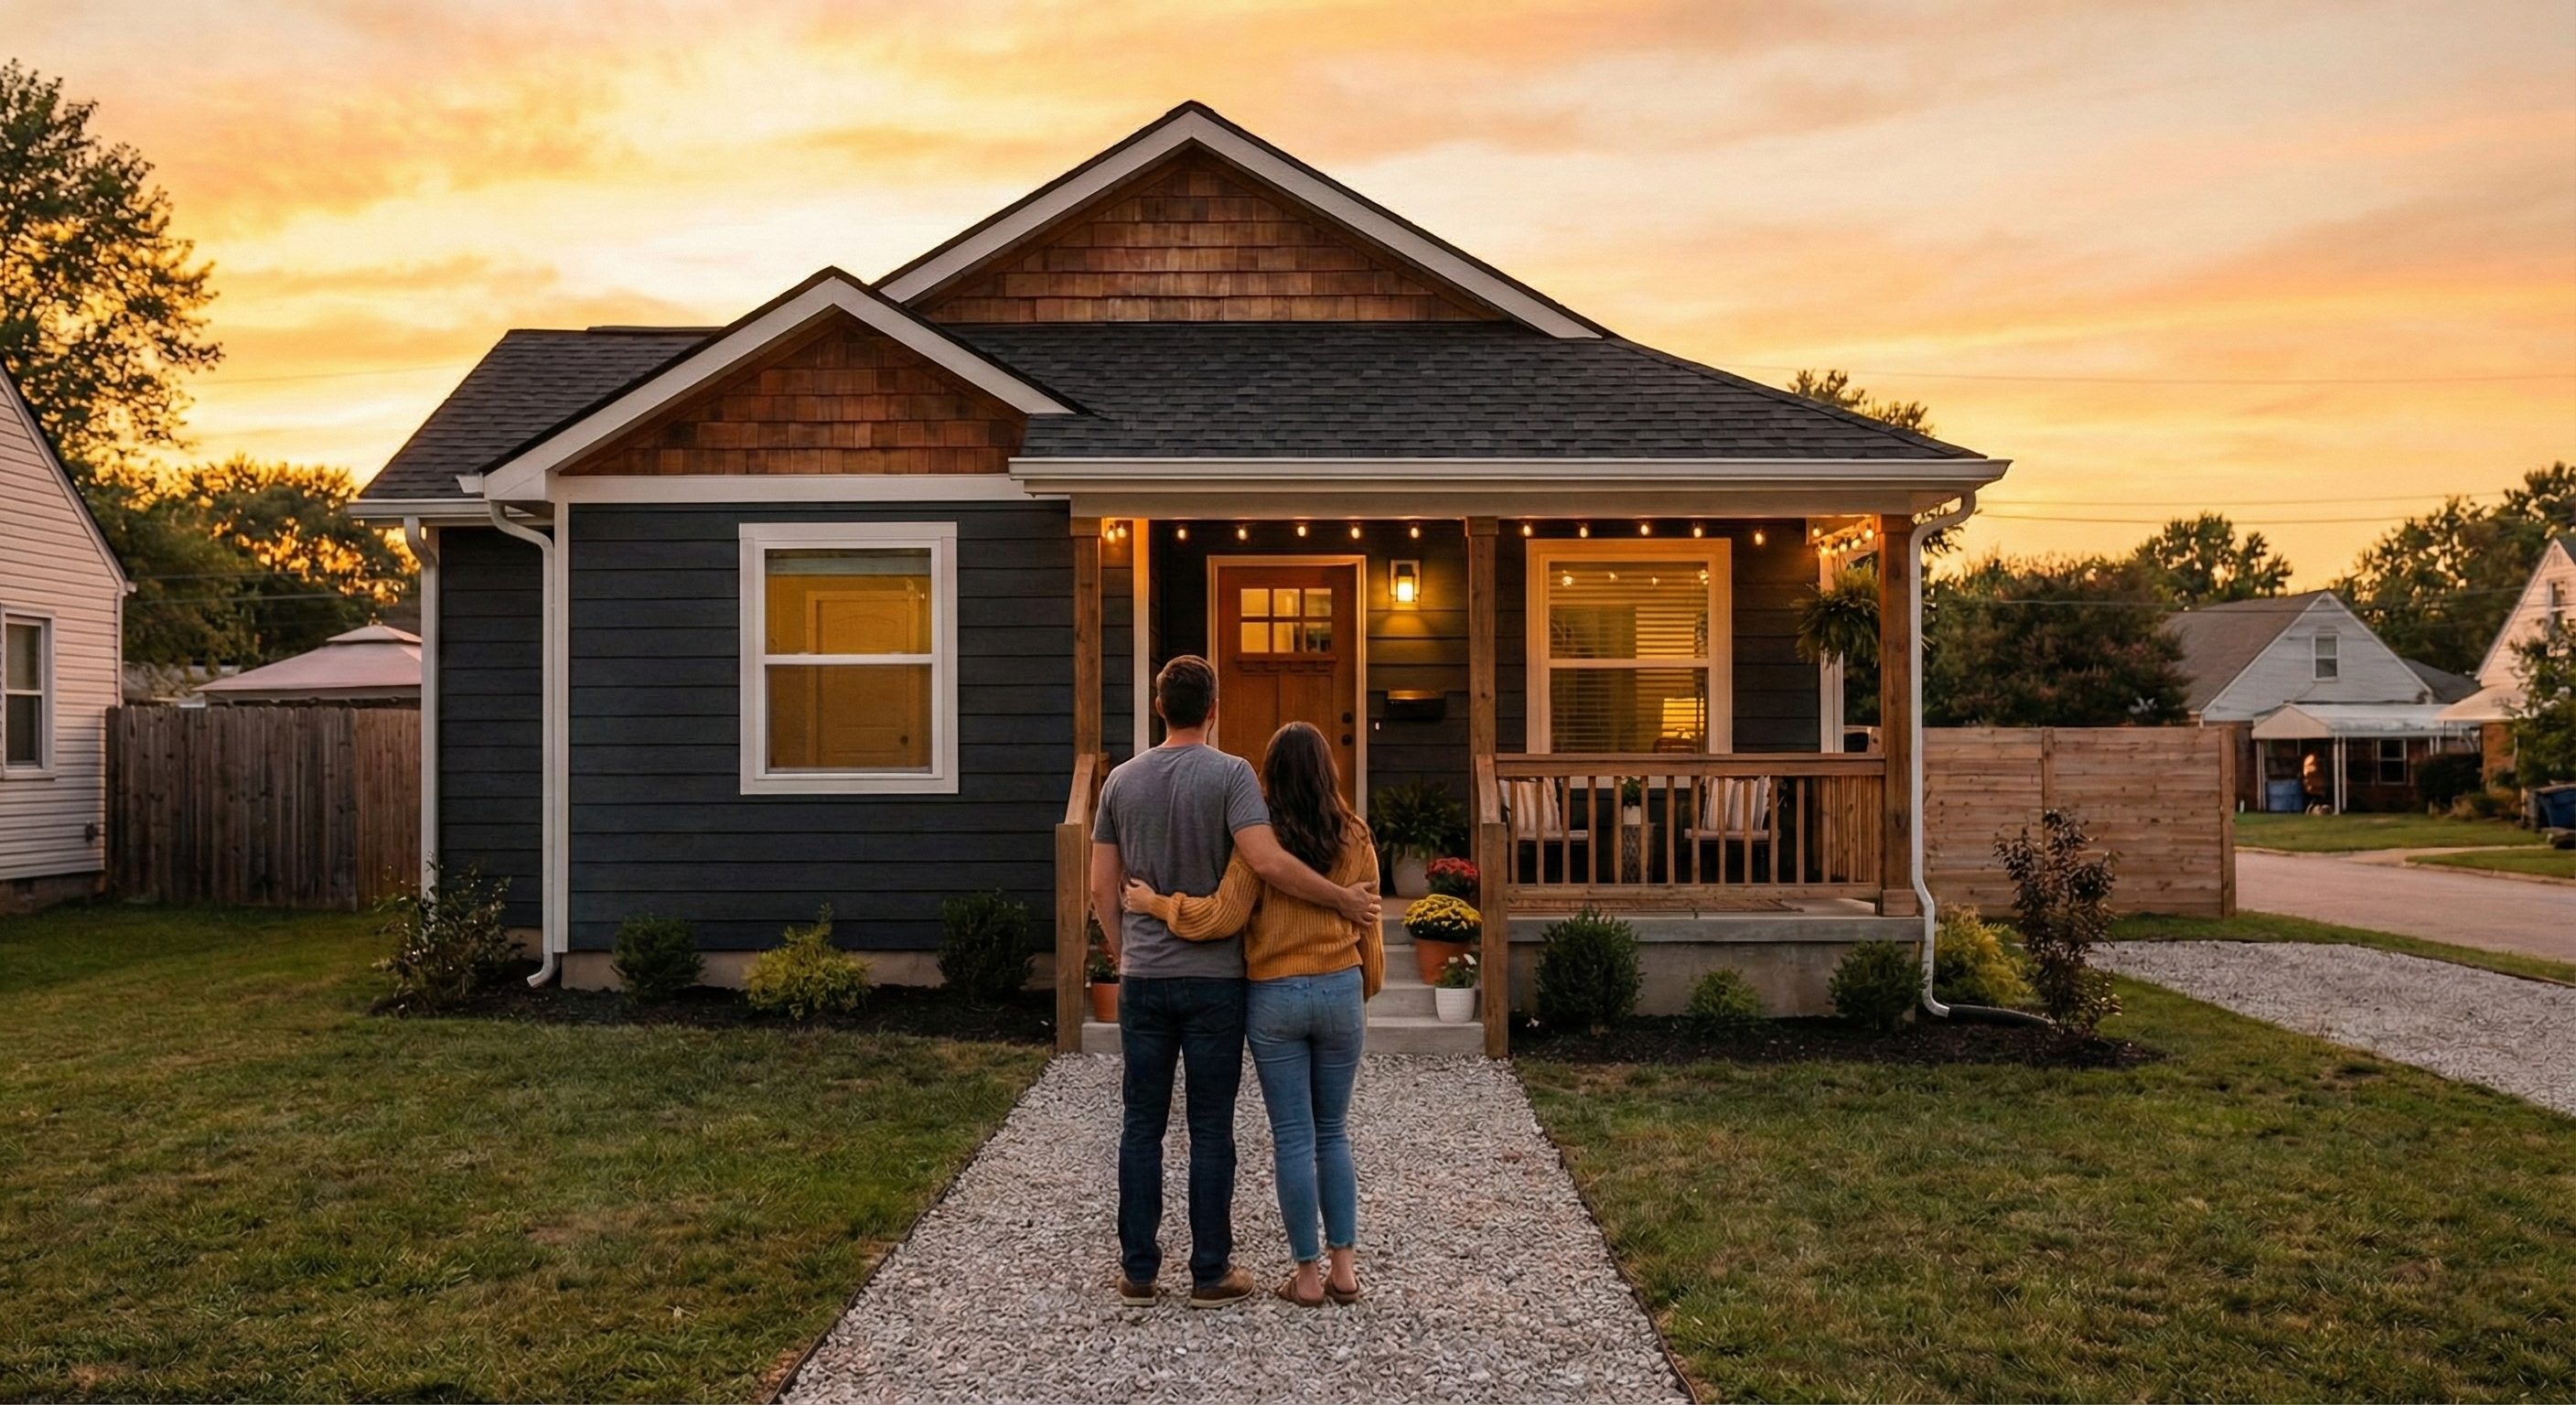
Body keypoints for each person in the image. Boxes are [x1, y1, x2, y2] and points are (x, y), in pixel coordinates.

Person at [1089, 657, 1380, 1310]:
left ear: (1160, 707)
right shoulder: (1232, 776)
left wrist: (1126, 942)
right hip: (1218, 981)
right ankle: (1210, 1273)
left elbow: (1101, 887)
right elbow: (1266, 861)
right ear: (1214, 709)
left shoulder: (1119, 783)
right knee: (1212, 1127)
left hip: (1146, 978)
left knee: (1141, 1123)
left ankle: (1139, 1271)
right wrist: (1344, 908)